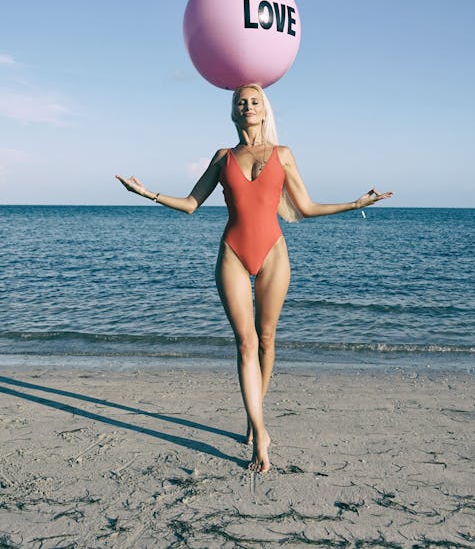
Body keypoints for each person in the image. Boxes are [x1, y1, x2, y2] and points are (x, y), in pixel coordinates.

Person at [116, 84, 393, 474]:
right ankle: (260, 432)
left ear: (265, 110)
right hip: (232, 252)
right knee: (245, 344)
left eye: (254, 101)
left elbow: (307, 207)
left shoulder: (283, 155)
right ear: (234, 112)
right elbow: (192, 204)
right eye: (241, 102)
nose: (248, 106)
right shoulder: (222, 157)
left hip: (274, 255)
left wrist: (356, 204)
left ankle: (253, 414)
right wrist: (147, 193)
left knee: (266, 340)